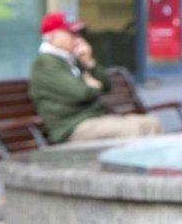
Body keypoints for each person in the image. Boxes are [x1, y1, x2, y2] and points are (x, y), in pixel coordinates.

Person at [27, 11, 160, 143]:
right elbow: (81, 93)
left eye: (77, 33)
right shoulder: (45, 63)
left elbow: (106, 85)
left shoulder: (70, 59)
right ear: (52, 37)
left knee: (150, 123)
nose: (77, 38)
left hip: (94, 119)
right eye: (70, 33)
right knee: (130, 130)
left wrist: (89, 62)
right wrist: (92, 86)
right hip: (71, 127)